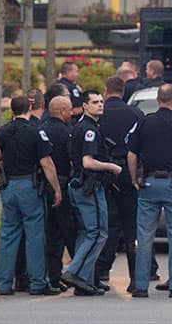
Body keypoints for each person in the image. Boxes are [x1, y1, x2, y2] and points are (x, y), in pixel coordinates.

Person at [127, 84, 172, 298]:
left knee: (144, 235)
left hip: (148, 183)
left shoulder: (144, 123)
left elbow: (131, 155)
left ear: (158, 99)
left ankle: (140, 286)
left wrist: (134, 179)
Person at [0, 93, 62, 296]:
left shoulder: (3, 131)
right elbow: (46, 163)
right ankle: (37, 283)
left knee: (8, 235)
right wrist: (57, 188)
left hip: (8, 187)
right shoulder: (35, 132)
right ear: (29, 107)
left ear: (12, 110)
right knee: (34, 236)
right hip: (28, 186)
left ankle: (4, 284)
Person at [62, 90, 121, 296]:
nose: (100, 105)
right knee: (98, 232)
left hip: (81, 185)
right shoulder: (88, 130)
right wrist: (111, 167)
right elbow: (88, 161)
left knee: (86, 232)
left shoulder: (83, 126)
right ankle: (75, 273)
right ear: (85, 106)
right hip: (89, 186)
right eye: (95, 102)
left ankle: (84, 280)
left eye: (101, 101)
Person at [96, 76, 147, 288]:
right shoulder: (136, 113)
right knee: (132, 224)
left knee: (107, 222)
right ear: (123, 91)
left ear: (106, 93)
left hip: (103, 170)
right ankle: (136, 277)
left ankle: (101, 270)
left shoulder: (98, 113)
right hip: (128, 170)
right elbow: (142, 144)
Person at [40, 96, 77, 290]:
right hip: (61, 185)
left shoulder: (41, 129)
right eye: (70, 110)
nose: (71, 113)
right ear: (63, 111)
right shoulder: (67, 132)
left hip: (42, 187)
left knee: (51, 233)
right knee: (70, 231)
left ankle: (53, 277)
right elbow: (73, 159)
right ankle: (80, 274)